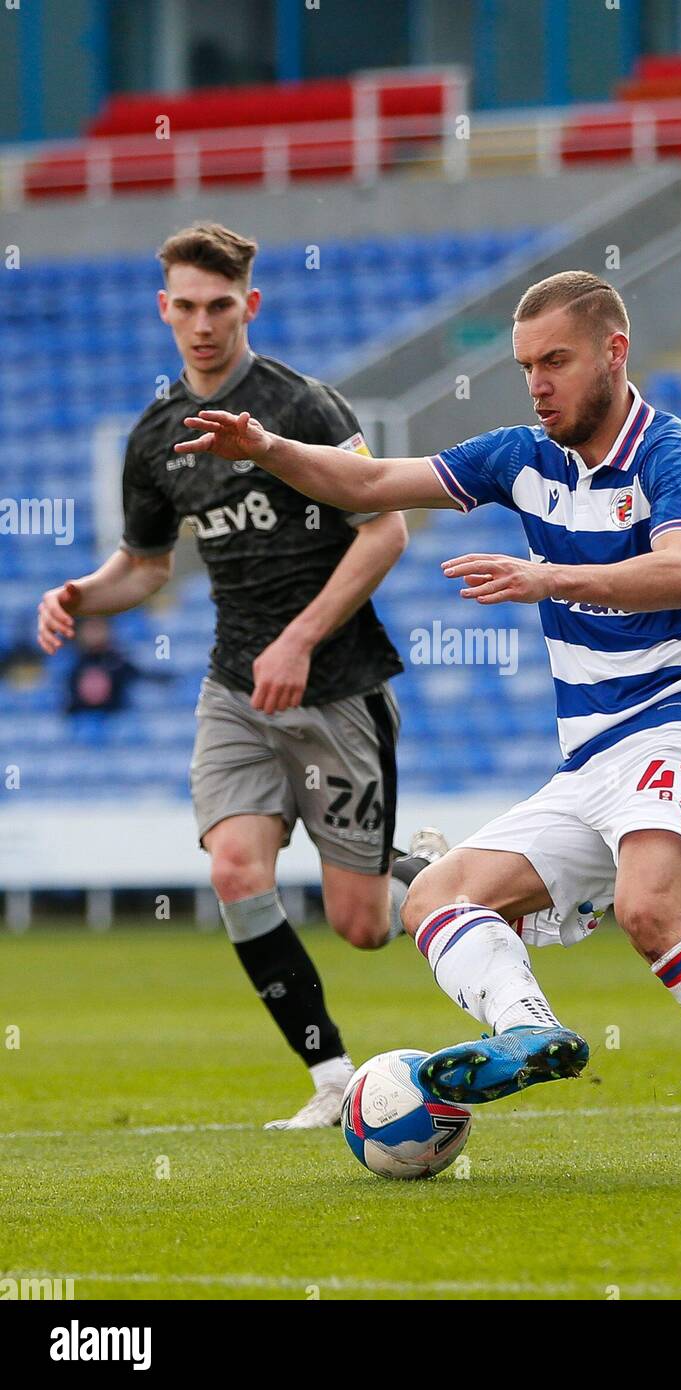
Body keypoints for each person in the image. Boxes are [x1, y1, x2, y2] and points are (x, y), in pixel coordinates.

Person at [177, 269, 681, 1179]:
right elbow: (374, 479)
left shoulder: (671, 453)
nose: (537, 384)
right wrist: (267, 447)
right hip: (590, 763)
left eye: (555, 362)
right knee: (432, 898)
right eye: (525, 366)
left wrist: (550, 577)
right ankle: (528, 1030)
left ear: (615, 352)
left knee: (652, 909)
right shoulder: (520, 455)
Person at [37, 221, 443, 1130]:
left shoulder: (305, 410)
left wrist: (299, 639)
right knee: (233, 869)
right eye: (185, 307)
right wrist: (83, 594)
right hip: (235, 690)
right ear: (164, 311)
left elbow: (385, 530)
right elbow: (145, 567)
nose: (202, 324)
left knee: (362, 924)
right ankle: (331, 1076)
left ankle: (421, 870)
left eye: (220, 306)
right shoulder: (154, 439)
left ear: (249, 305)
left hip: (335, 686)